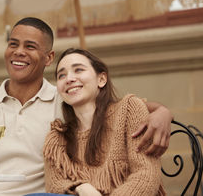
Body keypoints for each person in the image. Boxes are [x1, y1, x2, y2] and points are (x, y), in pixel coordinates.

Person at [0, 17, 172, 196]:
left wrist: (163, 112)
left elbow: (117, 108)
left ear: (48, 58)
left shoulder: (65, 101)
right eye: (13, 44)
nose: (18, 52)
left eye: (30, 46)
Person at [43, 48, 166, 195]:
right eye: (61, 75)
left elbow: (146, 175)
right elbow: (54, 185)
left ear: (101, 79)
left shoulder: (128, 110)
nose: (69, 79)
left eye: (78, 70)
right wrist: (80, 187)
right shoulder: (57, 138)